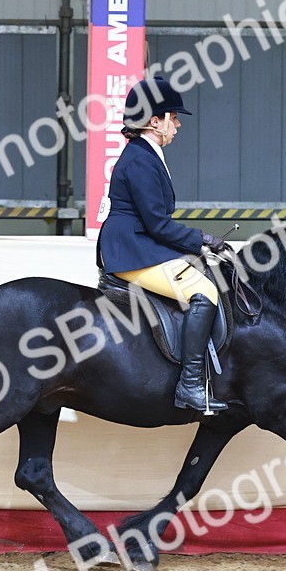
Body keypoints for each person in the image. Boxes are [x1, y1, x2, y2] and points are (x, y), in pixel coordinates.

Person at [95, 76, 232, 415]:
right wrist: (201, 240)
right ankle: (189, 386)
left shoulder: (146, 153)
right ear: (154, 121)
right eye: (174, 117)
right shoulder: (141, 159)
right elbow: (157, 223)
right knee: (205, 291)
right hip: (131, 248)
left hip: (139, 243)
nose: (178, 125)